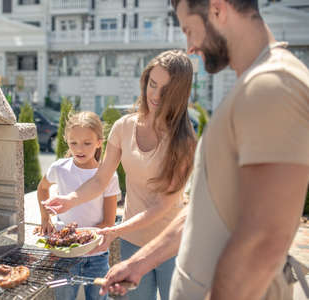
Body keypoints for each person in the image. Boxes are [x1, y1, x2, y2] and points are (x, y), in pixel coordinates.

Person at [99, 0, 309, 299]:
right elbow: (206, 209)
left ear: (218, 9)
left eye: (189, 30)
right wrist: (139, 262)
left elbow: (265, 239)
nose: (191, 47)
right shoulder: (253, 85)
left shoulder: (272, 86)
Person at [43, 50, 197, 300]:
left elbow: (163, 205)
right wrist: (70, 199)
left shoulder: (184, 141)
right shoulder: (123, 127)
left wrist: (115, 229)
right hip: (132, 242)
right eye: (152, 84)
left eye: (165, 90)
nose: (155, 95)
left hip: (173, 244)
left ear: (179, 93)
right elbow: (100, 180)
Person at [36, 111, 121, 300]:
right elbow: (42, 188)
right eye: (73, 143)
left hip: (97, 256)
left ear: (99, 142)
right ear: (66, 141)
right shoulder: (59, 168)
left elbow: (108, 221)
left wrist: (78, 240)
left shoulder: (108, 176)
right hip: (64, 256)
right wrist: (45, 217)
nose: (79, 149)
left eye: (87, 143)